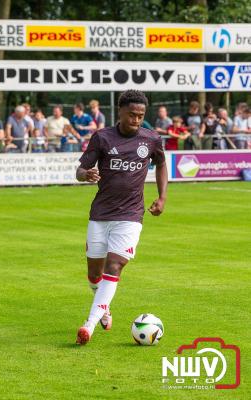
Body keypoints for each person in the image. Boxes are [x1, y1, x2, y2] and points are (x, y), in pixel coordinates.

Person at [75, 89, 168, 345]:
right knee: (94, 273)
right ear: (121, 112)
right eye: (132, 115)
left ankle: (89, 325)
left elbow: (161, 163)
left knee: (114, 266)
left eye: (140, 116)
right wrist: (86, 175)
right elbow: (80, 169)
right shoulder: (102, 138)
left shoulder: (151, 139)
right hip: (100, 214)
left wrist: (162, 197)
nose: (136, 120)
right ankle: (104, 307)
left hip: (130, 215)